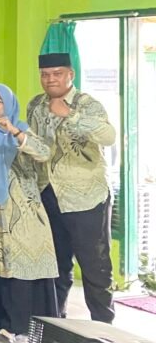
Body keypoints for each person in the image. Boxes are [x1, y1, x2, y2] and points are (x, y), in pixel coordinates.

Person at [27, 53, 116, 323]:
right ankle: (55, 327)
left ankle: (104, 331)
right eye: (45, 74)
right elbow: (39, 147)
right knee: (56, 265)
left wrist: (71, 115)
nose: (50, 79)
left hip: (86, 197)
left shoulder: (87, 104)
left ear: (70, 75)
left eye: (57, 73)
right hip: (49, 194)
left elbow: (109, 136)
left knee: (95, 267)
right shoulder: (36, 105)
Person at [0, 84, 58, 343]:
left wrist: (14, 132)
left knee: (22, 268)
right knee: (1, 268)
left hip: (24, 212)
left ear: (9, 105)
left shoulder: (21, 129)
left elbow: (44, 153)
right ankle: (3, 323)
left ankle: (20, 326)